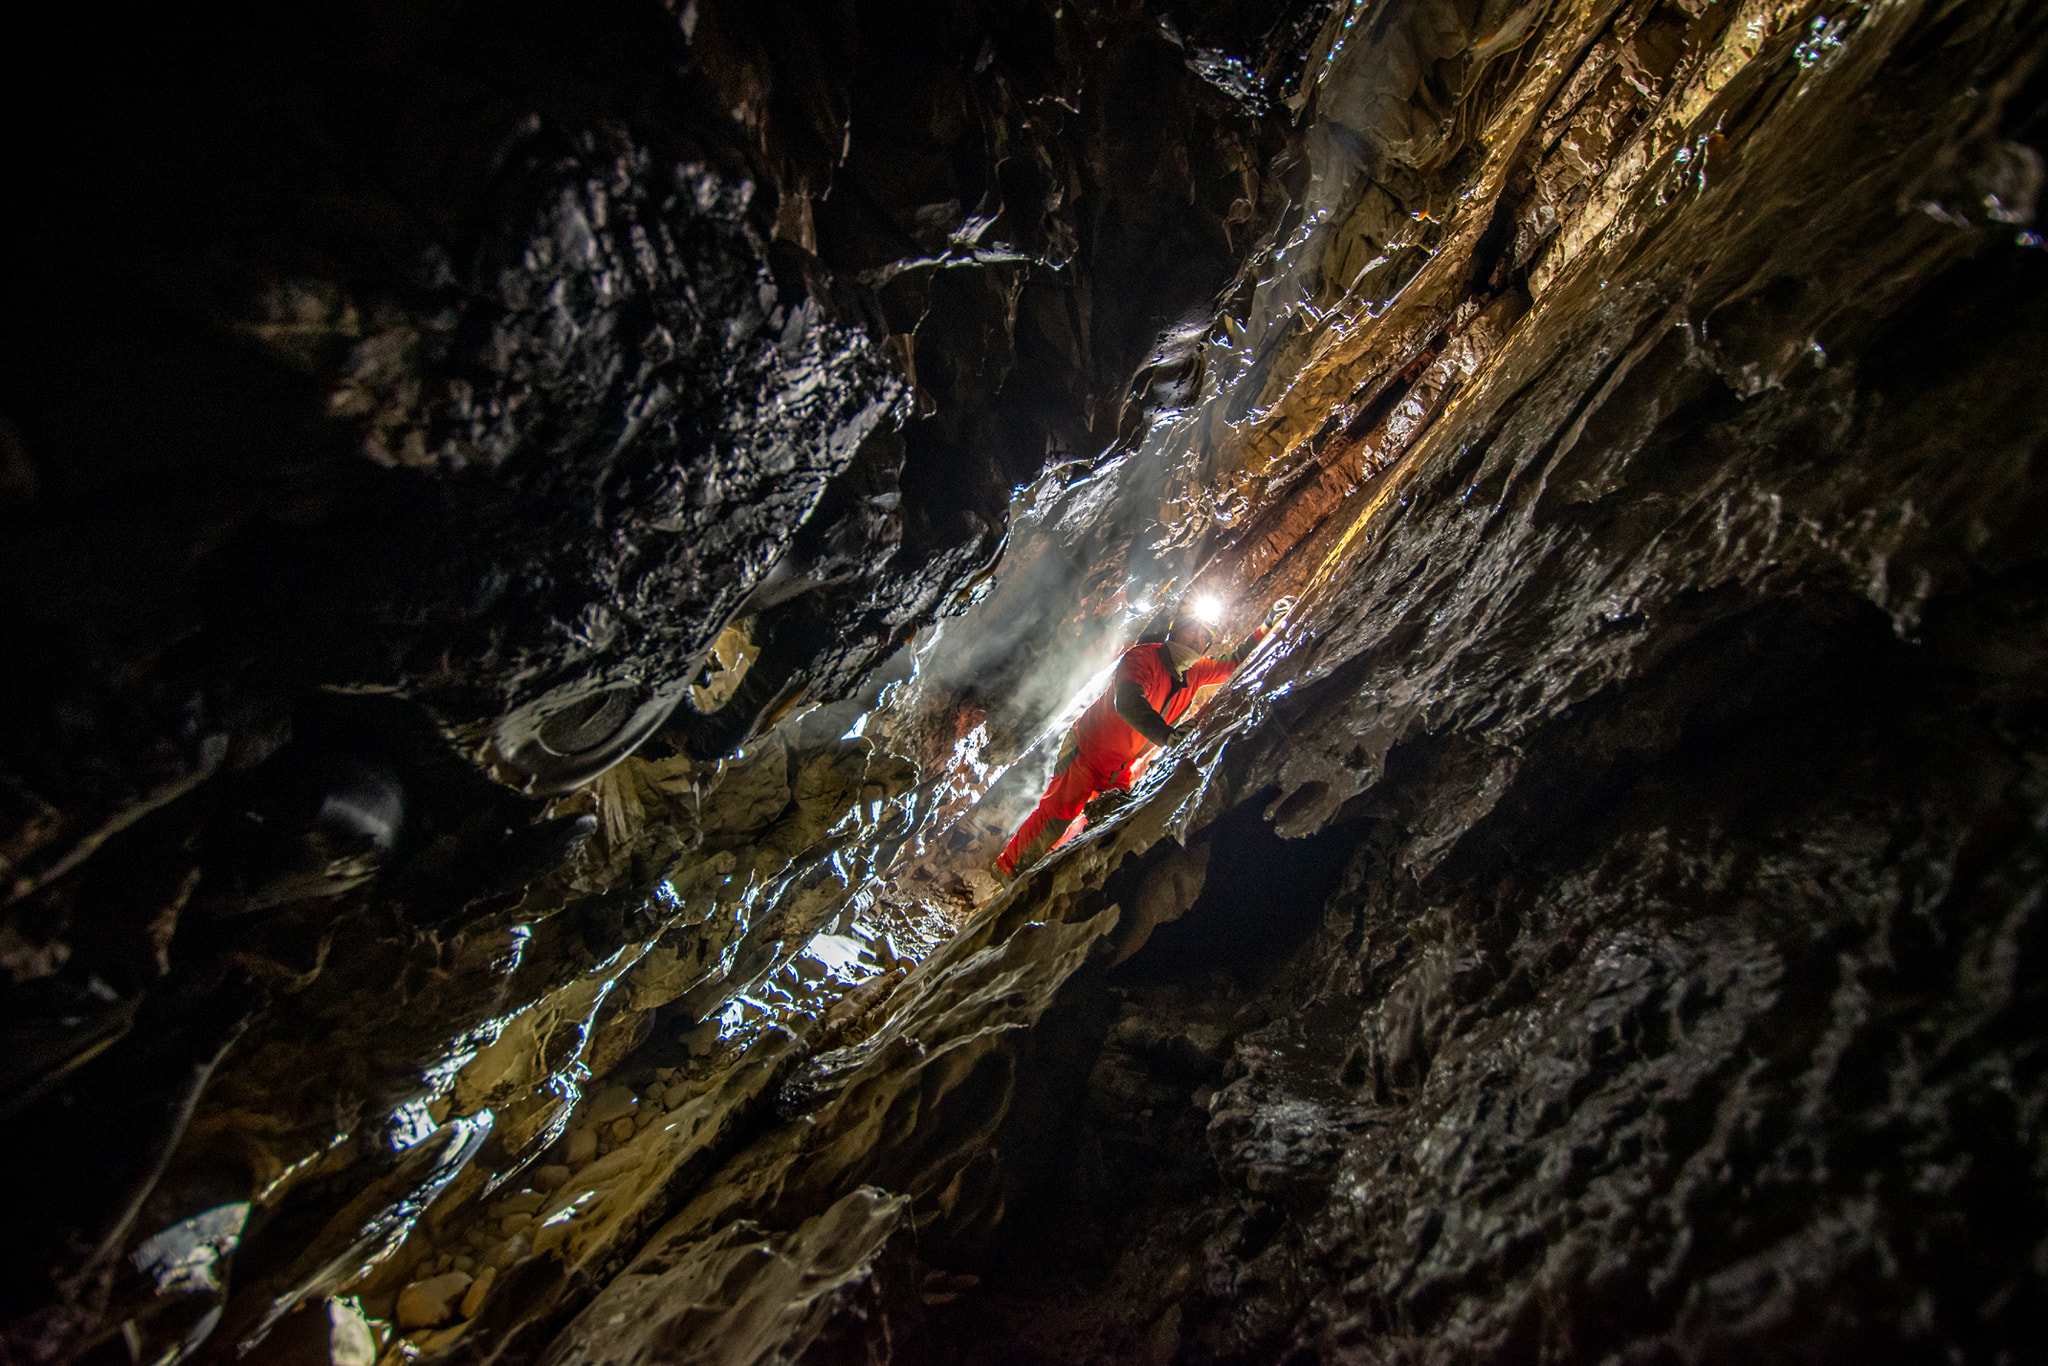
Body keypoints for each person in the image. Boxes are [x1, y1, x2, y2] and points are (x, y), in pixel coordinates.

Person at [995, 599, 1290, 878]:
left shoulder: (1195, 672)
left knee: (1101, 828)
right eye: (1192, 630)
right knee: (1056, 816)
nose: (1196, 640)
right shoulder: (1143, 657)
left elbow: (1233, 662)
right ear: (1175, 630)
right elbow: (1128, 701)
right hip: (1088, 750)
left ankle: (1041, 875)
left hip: (1120, 768)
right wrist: (1166, 735)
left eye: (1204, 638)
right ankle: (1007, 871)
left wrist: (1267, 625)